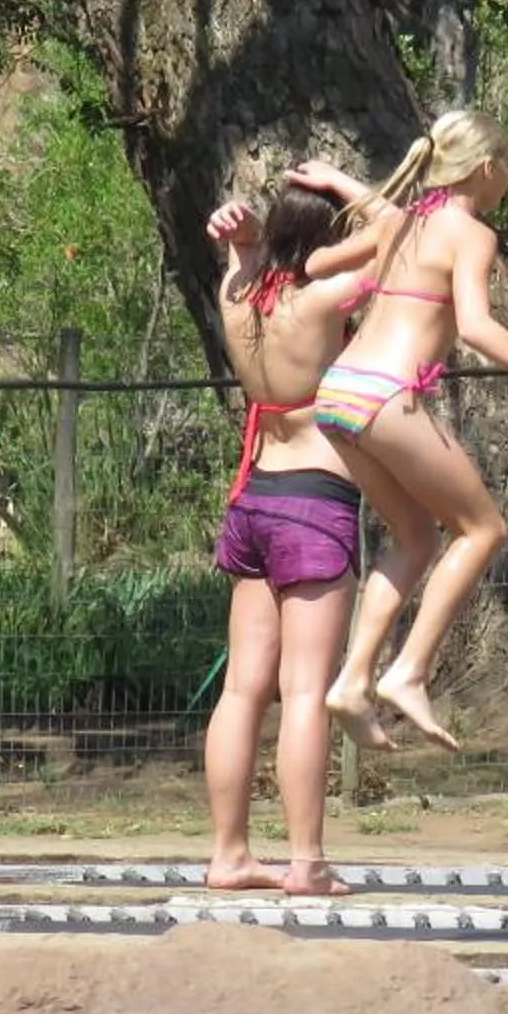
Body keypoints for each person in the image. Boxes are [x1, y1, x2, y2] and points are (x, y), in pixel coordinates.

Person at [285, 112, 508, 753]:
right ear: (487, 168)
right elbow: (477, 326)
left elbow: (319, 261)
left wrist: (352, 194)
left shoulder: (399, 222)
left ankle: (353, 681)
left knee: (414, 538)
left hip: (339, 394)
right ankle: (407, 671)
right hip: (387, 395)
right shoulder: (472, 235)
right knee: (483, 529)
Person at [197, 181, 379, 894]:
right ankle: (306, 862)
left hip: (255, 498)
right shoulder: (326, 300)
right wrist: (355, 190)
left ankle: (229, 853)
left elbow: (244, 257)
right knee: (305, 690)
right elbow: (402, 242)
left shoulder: (238, 297)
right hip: (314, 499)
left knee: (243, 690)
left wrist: (243, 238)